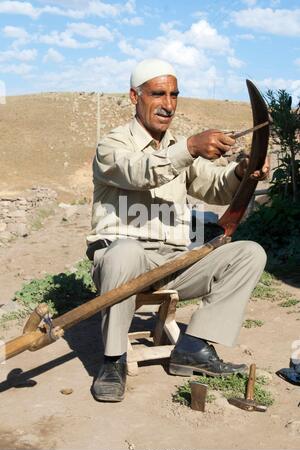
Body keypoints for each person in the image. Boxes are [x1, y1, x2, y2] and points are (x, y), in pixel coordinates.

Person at [86, 58, 269, 402]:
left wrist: (242, 173)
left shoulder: (176, 148)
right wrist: (189, 149)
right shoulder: (112, 145)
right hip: (122, 262)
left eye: (174, 94)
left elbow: (215, 187)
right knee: (125, 251)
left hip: (173, 264)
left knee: (249, 254)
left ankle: (194, 346)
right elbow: (139, 171)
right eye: (158, 94)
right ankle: (112, 360)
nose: (168, 104)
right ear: (134, 97)